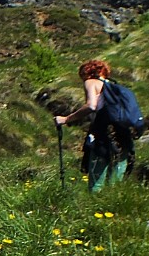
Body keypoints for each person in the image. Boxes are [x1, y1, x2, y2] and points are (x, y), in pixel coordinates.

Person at [54, 59, 134, 192]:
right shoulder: (116, 87)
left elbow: (91, 106)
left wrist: (66, 119)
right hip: (124, 136)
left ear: (87, 72)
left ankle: (95, 207)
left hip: (103, 136)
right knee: (115, 184)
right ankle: (115, 208)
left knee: (97, 182)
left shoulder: (91, 82)